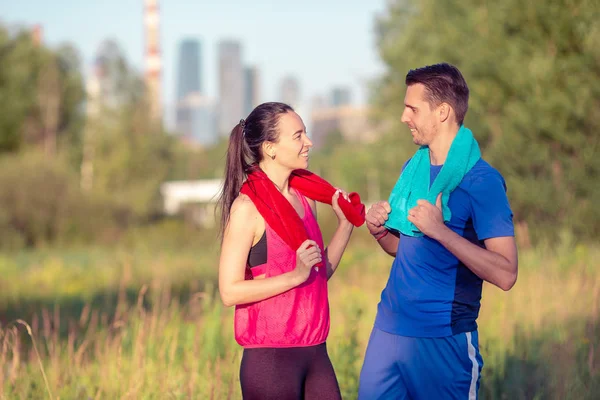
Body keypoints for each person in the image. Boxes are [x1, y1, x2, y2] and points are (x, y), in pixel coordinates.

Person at [358, 63, 518, 400]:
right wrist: (379, 232)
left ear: (442, 112)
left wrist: (441, 232)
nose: (404, 117)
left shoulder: (483, 182)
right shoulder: (413, 169)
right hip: (388, 331)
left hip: (444, 340)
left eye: (412, 109)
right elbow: (405, 249)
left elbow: (506, 274)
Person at [217, 102, 365, 400]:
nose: (308, 143)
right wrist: (294, 276)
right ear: (270, 148)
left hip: (315, 352)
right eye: (298, 136)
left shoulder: (305, 199)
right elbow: (229, 291)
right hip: (270, 359)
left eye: (305, 134)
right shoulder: (247, 208)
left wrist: (345, 226)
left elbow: (319, 273)